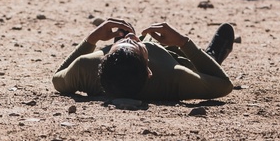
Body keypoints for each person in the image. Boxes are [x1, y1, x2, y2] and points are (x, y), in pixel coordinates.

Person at [52, 18, 235, 101]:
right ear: (149, 71)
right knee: (197, 63)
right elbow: (224, 84)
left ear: (104, 59)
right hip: (174, 58)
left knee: (129, 37)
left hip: (126, 68)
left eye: (119, 44)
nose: (132, 38)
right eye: (136, 45)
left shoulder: (85, 67)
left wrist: (90, 40)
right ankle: (212, 56)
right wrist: (183, 42)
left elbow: (57, 79)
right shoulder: (175, 77)